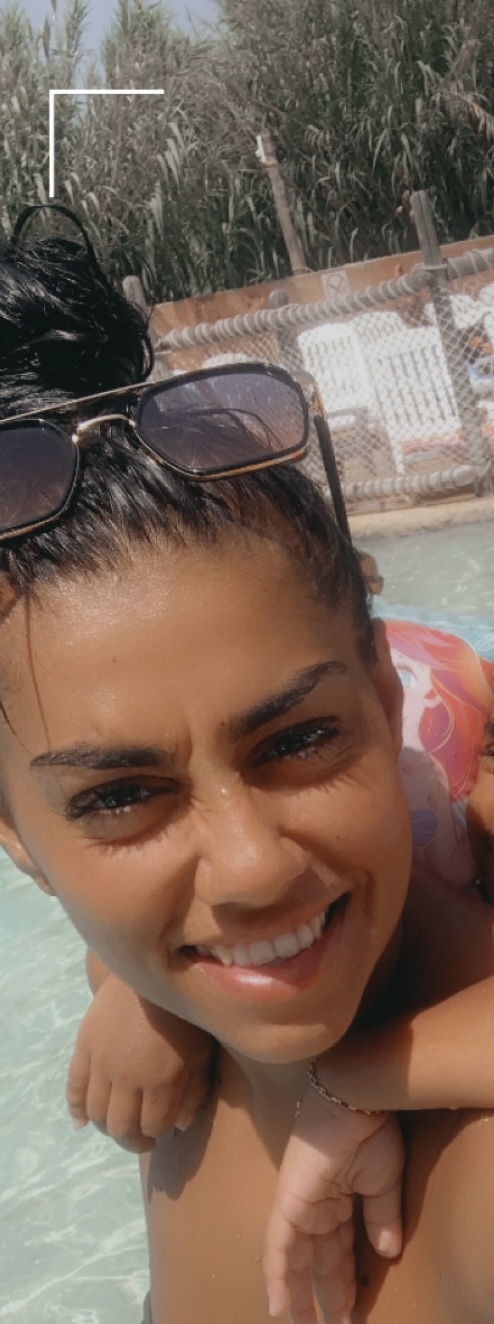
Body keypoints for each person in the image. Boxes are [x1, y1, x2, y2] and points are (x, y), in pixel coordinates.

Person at [1, 205, 494, 1324]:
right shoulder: (163, 1026)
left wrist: (358, 1075)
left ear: (383, 698)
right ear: (18, 834)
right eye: (122, 796)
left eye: (299, 739)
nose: (251, 867)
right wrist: (127, 990)